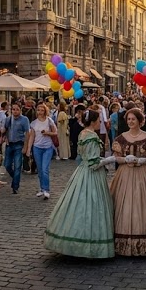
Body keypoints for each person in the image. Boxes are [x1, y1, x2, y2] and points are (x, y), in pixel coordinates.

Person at [44, 109, 116, 259]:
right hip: (91, 175)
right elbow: (94, 163)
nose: (100, 123)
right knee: (93, 206)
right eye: (99, 121)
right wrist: (111, 159)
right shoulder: (91, 136)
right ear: (94, 121)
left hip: (81, 172)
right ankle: (89, 244)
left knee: (77, 204)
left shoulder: (83, 133)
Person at [110, 108, 146, 257]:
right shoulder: (121, 138)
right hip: (124, 175)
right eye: (129, 119)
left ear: (140, 121)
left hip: (143, 175)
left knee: (143, 204)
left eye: (133, 119)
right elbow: (116, 157)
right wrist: (125, 159)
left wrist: (142, 160)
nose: (131, 122)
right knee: (123, 204)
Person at [25, 104, 58, 199]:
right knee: (39, 170)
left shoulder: (49, 121)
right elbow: (32, 136)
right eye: (38, 110)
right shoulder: (34, 123)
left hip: (47, 147)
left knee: (45, 169)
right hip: (37, 147)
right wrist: (28, 149)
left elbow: (55, 132)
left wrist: (47, 133)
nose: (40, 112)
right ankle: (42, 188)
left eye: (42, 110)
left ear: (45, 111)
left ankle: (46, 190)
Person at [2, 104, 30, 194]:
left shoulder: (24, 119)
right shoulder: (8, 119)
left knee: (18, 166)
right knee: (7, 165)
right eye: (13, 109)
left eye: (17, 109)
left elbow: (27, 133)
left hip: (19, 144)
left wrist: (25, 146)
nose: (15, 111)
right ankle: (15, 178)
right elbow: (4, 130)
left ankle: (15, 186)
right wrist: (3, 135)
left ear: (20, 110)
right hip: (9, 144)